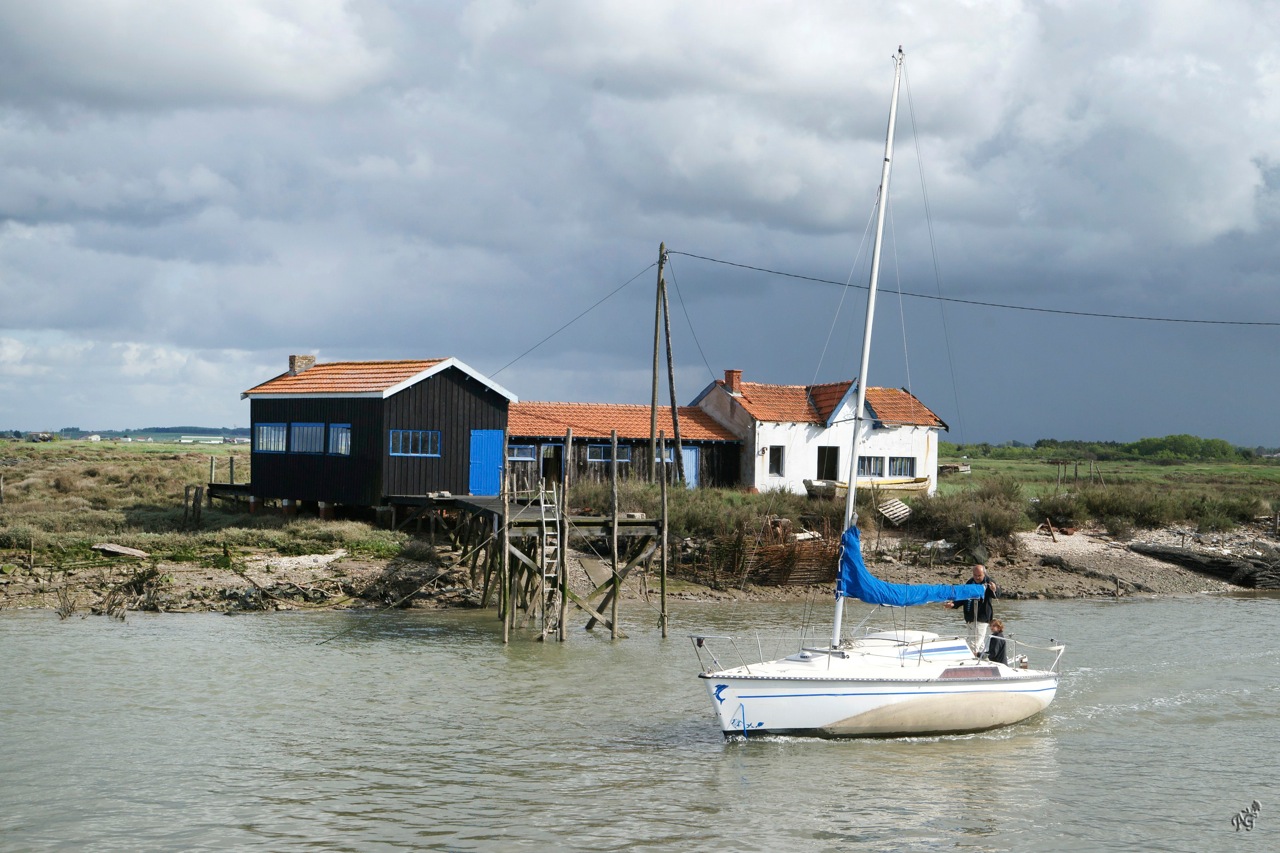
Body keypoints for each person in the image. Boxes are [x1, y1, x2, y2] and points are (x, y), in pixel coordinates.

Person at [945, 563, 997, 655]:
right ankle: (984, 659)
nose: (977, 578)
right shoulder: (970, 582)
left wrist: (994, 589)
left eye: (979, 576)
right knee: (979, 644)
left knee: (974, 644)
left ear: (984, 574)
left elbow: (997, 593)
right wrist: (953, 604)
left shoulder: (989, 582)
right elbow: (963, 597)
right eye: (975, 575)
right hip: (970, 617)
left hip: (982, 618)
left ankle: (970, 659)